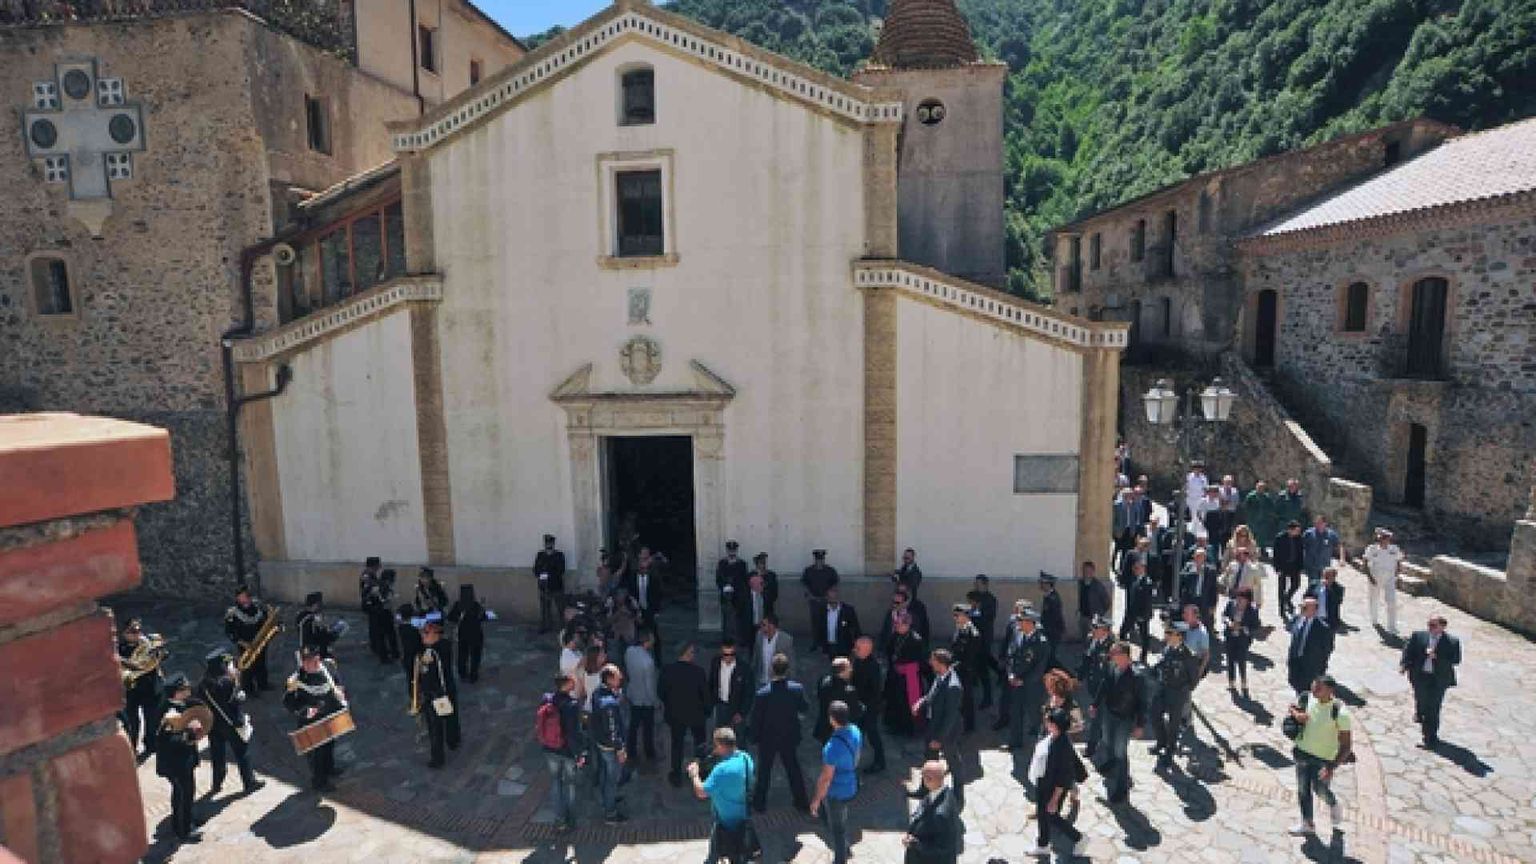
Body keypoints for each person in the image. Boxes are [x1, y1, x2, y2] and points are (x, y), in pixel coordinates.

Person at [1287, 675, 1352, 838]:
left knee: (1320, 789)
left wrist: (1331, 767)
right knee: (1303, 790)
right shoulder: (1307, 698)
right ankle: (1307, 823)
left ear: (1330, 690)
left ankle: (1333, 804)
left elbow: (1346, 745)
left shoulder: (1340, 713)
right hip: (1302, 752)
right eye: (1313, 686)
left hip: (1323, 759)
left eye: (1318, 688)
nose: (1314, 690)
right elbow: (1292, 707)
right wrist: (1297, 714)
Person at [749, 652, 810, 812]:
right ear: (787, 670)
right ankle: (801, 801)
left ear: (772, 669)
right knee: (793, 769)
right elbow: (804, 708)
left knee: (764, 770)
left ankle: (759, 803)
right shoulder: (796, 689)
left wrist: (754, 737)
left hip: (767, 737)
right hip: (789, 735)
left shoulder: (762, 694)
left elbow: (756, 718)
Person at [283, 645, 347, 791]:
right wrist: (306, 711)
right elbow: (288, 702)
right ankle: (319, 782)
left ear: (317, 659)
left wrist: (340, 692)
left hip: (329, 716)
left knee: (329, 745)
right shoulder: (296, 679)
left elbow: (337, 682)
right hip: (312, 722)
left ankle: (329, 768)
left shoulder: (328, 668)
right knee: (317, 755)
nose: (306, 665)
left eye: (310, 661)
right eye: (304, 661)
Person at [198, 650, 262, 797]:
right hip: (231, 723)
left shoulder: (203, 683)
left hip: (214, 725)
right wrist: (237, 680)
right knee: (242, 753)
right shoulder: (228, 682)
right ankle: (249, 782)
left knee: (217, 755)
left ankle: (217, 783)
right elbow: (238, 699)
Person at [689, 727, 756, 864]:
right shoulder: (746, 758)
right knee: (739, 853)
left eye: (715, 745)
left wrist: (694, 775)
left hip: (725, 821)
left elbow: (701, 792)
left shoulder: (722, 770)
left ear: (721, 746)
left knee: (721, 853)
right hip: (743, 816)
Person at [1026, 708, 1086, 858]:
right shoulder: (1055, 736)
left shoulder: (1062, 747)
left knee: (1051, 816)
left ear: (1056, 725)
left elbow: (1063, 778)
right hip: (1044, 782)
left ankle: (1079, 838)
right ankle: (1043, 845)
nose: (1046, 723)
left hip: (1053, 787)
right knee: (1043, 814)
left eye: (1049, 721)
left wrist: (1054, 799)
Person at [1091, 642, 1145, 805]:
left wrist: (1140, 725)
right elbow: (1104, 685)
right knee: (1107, 741)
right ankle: (1111, 762)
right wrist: (1095, 704)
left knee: (1120, 752)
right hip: (1110, 713)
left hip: (1124, 718)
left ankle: (1122, 788)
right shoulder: (1112, 668)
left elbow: (1142, 703)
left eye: (1115, 654)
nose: (1111, 656)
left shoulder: (1136, 677)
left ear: (1125, 656)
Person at [810, 701, 863, 864]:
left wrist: (816, 800)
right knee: (841, 819)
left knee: (837, 829)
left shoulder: (832, 747)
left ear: (832, 719)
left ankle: (840, 859)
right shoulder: (855, 730)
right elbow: (857, 756)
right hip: (851, 785)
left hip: (836, 792)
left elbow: (826, 778)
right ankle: (845, 848)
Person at [915, 647, 967, 807]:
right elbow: (932, 694)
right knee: (930, 758)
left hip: (947, 731)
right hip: (933, 724)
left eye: (933, 661)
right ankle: (925, 789)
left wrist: (939, 739)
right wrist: (921, 702)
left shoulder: (953, 686)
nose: (931, 663)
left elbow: (950, 717)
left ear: (941, 663)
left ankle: (958, 795)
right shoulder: (940, 675)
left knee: (953, 761)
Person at [1399, 615, 1461, 746]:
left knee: (1433, 707)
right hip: (1420, 676)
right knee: (1421, 699)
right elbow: (1408, 650)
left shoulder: (1452, 642)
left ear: (1442, 627)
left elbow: (1455, 660)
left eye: (1433, 625)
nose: (1430, 628)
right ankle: (1420, 712)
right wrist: (1404, 665)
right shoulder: (1419, 636)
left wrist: (1436, 656)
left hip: (1438, 679)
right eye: (1429, 624)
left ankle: (1429, 737)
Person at [155, 673, 203, 841]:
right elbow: (171, 740)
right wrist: (191, 732)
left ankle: (187, 819)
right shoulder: (169, 712)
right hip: (176, 763)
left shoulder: (178, 705)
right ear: (176, 693)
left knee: (186, 792)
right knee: (183, 794)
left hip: (183, 760)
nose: (188, 690)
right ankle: (183, 829)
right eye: (184, 689)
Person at [539, 673, 586, 832]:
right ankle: (570, 819)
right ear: (566, 684)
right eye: (572, 680)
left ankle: (559, 819)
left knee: (556, 782)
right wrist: (579, 754)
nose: (575, 681)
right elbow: (573, 733)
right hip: (566, 751)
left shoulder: (547, 699)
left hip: (550, 749)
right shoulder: (571, 705)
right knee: (570, 784)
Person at [660, 641, 711, 786]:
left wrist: (669, 704)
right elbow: (705, 695)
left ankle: (676, 774)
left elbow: (661, 692)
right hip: (696, 714)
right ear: (687, 653)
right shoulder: (698, 672)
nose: (694, 655)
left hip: (676, 714)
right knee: (700, 743)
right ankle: (702, 771)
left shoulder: (667, 671)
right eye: (692, 652)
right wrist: (707, 710)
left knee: (677, 744)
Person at [411, 620, 461, 768]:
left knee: (435, 727)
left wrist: (423, 694)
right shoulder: (444, 645)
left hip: (435, 694)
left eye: (427, 633)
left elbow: (427, 675)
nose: (423, 635)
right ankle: (453, 740)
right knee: (451, 717)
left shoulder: (430, 654)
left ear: (436, 634)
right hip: (447, 690)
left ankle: (437, 758)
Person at [1151, 623, 1198, 768]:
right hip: (1163, 689)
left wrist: (1183, 691)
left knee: (1173, 724)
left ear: (1179, 636)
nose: (1166, 636)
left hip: (1177, 693)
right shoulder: (1167, 649)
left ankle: (1169, 751)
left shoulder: (1188, 655)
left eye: (1170, 633)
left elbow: (1194, 678)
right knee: (1154, 715)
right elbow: (1161, 665)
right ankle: (1161, 742)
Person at [1002, 609, 1050, 751]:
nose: (1018, 624)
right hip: (1016, 681)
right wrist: (1010, 674)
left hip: (1032, 685)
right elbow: (1010, 655)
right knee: (1015, 712)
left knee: (1035, 714)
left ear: (1030, 623)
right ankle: (1015, 741)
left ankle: (1043, 742)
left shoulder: (1041, 642)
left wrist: (1024, 681)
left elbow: (1040, 667)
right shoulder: (1017, 634)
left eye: (1021, 621)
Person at [117, 617, 164, 756]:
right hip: (131, 690)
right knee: (132, 721)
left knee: (152, 719)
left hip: (150, 687)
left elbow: (160, 656)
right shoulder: (118, 649)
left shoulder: (149, 644)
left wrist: (159, 653)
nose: (137, 634)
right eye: (132, 631)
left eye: (138, 630)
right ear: (124, 633)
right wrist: (126, 663)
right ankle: (132, 747)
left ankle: (151, 744)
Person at [590, 663, 630, 824]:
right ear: (610, 679)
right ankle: (610, 813)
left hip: (600, 742)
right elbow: (613, 730)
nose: (621, 677)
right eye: (617, 675)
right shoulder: (609, 704)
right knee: (612, 779)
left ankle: (607, 798)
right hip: (610, 747)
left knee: (604, 774)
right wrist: (620, 749)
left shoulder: (597, 693)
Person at [903, 760, 962, 864]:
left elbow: (942, 847)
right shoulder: (943, 792)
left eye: (923, 776)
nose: (922, 779)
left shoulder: (941, 814)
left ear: (929, 779)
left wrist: (914, 844)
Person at [883, 612, 929, 737]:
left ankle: (909, 729)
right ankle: (895, 727)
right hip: (896, 675)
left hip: (909, 677)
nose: (896, 626)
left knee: (907, 703)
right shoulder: (895, 636)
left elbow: (920, 660)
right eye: (896, 624)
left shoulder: (916, 640)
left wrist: (904, 667)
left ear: (907, 625)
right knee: (894, 701)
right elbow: (889, 650)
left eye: (899, 624)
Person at [225, 583, 275, 693]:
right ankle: (249, 689)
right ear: (238, 597)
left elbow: (265, 620)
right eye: (243, 596)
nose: (246, 598)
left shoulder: (257, 607)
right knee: (247, 668)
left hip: (260, 641)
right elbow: (229, 632)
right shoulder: (232, 614)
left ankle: (263, 684)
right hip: (245, 645)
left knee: (261, 663)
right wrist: (242, 642)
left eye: (247, 595)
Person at [1077, 615, 1113, 757]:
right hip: (1092, 685)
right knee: (1099, 716)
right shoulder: (1092, 640)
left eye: (1096, 628)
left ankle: (1091, 747)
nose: (1093, 630)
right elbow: (1087, 660)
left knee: (1096, 717)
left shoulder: (1112, 647)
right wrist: (1080, 678)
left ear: (1105, 630)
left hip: (1104, 689)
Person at [850, 636, 886, 773]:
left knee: (872, 734)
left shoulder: (873, 666)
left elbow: (875, 690)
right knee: (858, 734)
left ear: (867, 650)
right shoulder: (857, 660)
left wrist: (866, 707)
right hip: (859, 705)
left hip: (869, 707)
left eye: (858, 648)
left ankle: (880, 761)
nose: (855, 650)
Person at [708, 639, 754, 746]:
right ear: (721, 652)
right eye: (726, 654)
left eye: (731, 654)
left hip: (736, 708)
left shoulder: (744, 668)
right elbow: (711, 683)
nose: (728, 657)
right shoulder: (716, 663)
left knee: (739, 740)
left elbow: (749, 693)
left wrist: (742, 713)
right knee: (720, 740)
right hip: (720, 706)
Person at [624, 630, 660, 764]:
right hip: (645, 699)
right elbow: (649, 686)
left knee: (633, 725)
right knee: (648, 728)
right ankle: (649, 752)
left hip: (633, 693)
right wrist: (655, 701)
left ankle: (631, 750)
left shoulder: (629, 652)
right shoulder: (648, 662)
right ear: (647, 642)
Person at [1286, 597, 1332, 694]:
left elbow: (1327, 649)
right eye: (1302, 607)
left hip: (1310, 666)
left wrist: (1320, 668)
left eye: (1305, 607)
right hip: (1295, 660)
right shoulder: (1297, 619)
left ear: (1314, 610)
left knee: (1305, 690)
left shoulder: (1323, 629)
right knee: (1294, 683)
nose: (1302, 609)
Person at [1363, 528, 1405, 635]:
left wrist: (1397, 574)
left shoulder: (1394, 549)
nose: (1385, 540)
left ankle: (1392, 626)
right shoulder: (1372, 549)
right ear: (1379, 539)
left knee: (1392, 601)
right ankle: (1374, 620)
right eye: (1382, 538)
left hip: (1389, 578)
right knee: (1374, 599)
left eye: (1387, 538)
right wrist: (1370, 577)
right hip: (1375, 576)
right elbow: (1365, 562)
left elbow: (1399, 561)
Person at [446, 584, 490, 682]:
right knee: (475, 656)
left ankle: (462, 673)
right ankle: (473, 675)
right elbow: (484, 617)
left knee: (462, 654)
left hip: (463, 634)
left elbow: (450, 618)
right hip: (476, 634)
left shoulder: (458, 605)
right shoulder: (476, 605)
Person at [814, 657, 863, 742]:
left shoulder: (823, 681)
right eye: (848, 668)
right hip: (840, 731)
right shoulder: (849, 691)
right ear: (842, 672)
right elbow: (855, 712)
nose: (851, 670)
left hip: (824, 727)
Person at [1222, 588, 1261, 696]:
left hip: (1243, 639)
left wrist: (1244, 628)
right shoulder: (1231, 604)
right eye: (1238, 598)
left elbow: (1255, 626)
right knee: (1230, 659)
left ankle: (1243, 682)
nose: (1238, 601)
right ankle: (1231, 682)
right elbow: (1224, 616)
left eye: (1241, 599)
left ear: (1247, 600)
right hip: (1230, 637)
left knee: (1241, 660)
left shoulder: (1252, 611)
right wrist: (1228, 622)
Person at [802, 549, 839, 645]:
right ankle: (815, 642)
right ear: (815, 560)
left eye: (821, 559)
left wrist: (829, 596)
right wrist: (810, 596)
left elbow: (834, 584)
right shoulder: (809, 571)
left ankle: (826, 642)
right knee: (815, 622)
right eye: (818, 559)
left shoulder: (830, 571)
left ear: (823, 560)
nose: (819, 561)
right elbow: (805, 585)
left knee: (827, 621)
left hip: (827, 600)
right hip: (814, 600)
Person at [880, 587, 931, 655]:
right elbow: (884, 633)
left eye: (897, 603)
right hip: (890, 650)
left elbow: (917, 637)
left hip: (907, 651)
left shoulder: (913, 618)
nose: (894, 605)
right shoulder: (890, 614)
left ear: (905, 603)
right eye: (893, 602)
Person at [1124, 561, 1158, 660]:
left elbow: (1148, 601)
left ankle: (1143, 657)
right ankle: (1125, 654)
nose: (1135, 570)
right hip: (1132, 613)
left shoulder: (1147, 582)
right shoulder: (1134, 580)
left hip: (1142, 614)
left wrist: (1143, 615)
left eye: (1137, 568)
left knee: (1144, 636)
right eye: (1134, 568)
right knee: (1123, 632)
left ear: (1143, 569)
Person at [1179, 547, 1220, 630]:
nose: (1199, 558)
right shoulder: (1189, 566)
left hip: (1204, 600)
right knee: (1190, 622)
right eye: (1197, 556)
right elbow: (1182, 580)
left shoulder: (1211, 570)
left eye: (1201, 556)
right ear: (1194, 557)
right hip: (1191, 599)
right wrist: (1193, 572)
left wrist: (1213, 605)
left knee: (1205, 623)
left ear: (1204, 558)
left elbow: (1214, 589)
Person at [816, 586, 862, 658]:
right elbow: (820, 628)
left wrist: (857, 645)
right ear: (827, 597)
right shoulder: (822, 610)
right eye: (830, 596)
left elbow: (855, 628)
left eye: (835, 594)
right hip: (829, 647)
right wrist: (821, 646)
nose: (833, 598)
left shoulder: (848, 610)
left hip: (844, 647)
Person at [1273, 520, 1306, 617]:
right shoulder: (1280, 538)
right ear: (1290, 530)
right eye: (1297, 530)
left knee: (1296, 584)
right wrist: (1277, 568)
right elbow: (1275, 554)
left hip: (1294, 566)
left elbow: (1300, 553)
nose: (1298, 532)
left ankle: (1287, 599)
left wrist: (1301, 567)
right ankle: (1281, 609)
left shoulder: (1299, 538)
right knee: (1282, 588)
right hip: (1283, 566)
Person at [535, 534, 567, 633]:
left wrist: (548, 572)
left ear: (553, 544)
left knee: (560, 608)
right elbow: (536, 569)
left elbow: (561, 570)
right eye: (547, 543)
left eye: (550, 543)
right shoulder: (540, 555)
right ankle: (545, 626)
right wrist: (542, 573)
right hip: (544, 586)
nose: (548, 545)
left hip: (556, 586)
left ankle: (563, 627)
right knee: (545, 609)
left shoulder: (559, 555)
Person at [716, 540, 748, 639]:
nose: (732, 553)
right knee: (727, 619)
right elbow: (718, 579)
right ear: (727, 550)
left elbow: (744, 580)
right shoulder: (722, 563)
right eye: (730, 550)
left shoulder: (742, 564)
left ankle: (739, 639)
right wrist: (724, 587)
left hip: (738, 596)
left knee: (738, 619)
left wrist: (738, 590)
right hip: (726, 596)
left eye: (733, 550)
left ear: (736, 551)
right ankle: (727, 640)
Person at [752, 615, 795, 688]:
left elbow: (791, 663)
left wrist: (789, 683)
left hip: (777, 682)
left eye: (764, 625)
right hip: (761, 681)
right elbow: (755, 659)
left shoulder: (786, 640)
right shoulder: (759, 636)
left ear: (772, 626)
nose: (761, 628)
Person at [736, 573, 776, 650]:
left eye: (763, 583)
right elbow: (740, 612)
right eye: (760, 583)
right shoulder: (744, 597)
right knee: (751, 646)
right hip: (750, 626)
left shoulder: (766, 595)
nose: (763, 586)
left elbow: (770, 611)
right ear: (752, 584)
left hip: (763, 625)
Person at [1075, 562, 1111, 645]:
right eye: (1085, 571)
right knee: (1084, 636)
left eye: (1089, 571)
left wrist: (1099, 613)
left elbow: (1107, 602)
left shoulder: (1098, 585)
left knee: (1093, 639)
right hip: (1083, 616)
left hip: (1093, 618)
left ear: (1093, 572)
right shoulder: (1080, 583)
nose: (1087, 573)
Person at [1302, 515, 1342, 587]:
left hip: (1325, 566)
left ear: (1325, 523)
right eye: (1316, 523)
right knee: (1313, 585)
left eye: (1320, 523)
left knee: (1324, 585)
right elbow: (1301, 546)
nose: (1317, 524)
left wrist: (1342, 558)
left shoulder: (1331, 534)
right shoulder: (1309, 533)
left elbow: (1340, 546)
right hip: (1312, 565)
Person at [296, 592, 339, 658]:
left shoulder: (304, 614)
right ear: (314, 605)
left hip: (308, 639)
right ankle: (323, 654)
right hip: (308, 641)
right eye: (318, 604)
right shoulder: (309, 616)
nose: (320, 606)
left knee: (326, 633)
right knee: (326, 634)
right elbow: (318, 625)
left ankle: (324, 652)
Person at [1305, 566, 1346, 632]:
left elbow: (1337, 602)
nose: (1325, 578)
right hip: (1313, 617)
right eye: (1324, 575)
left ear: (1334, 577)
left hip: (1328, 620)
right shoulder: (1314, 584)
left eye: (1328, 576)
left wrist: (1328, 588)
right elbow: (1306, 597)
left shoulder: (1339, 589)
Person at [1243, 480, 1278, 556]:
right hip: (1253, 520)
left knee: (1263, 537)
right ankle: (1249, 551)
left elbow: (1271, 507)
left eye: (1262, 488)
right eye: (1259, 487)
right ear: (1256, 487)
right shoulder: (1251, 496)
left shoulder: (1267, 497)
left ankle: (1262, 551)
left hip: (1263, 521)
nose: (1261, 489)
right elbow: (1246, 507)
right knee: (1251, 536)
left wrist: (1269, 516)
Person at [395, 603, 423, 698]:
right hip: (416, 656)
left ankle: (413, 696)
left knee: (411, 679)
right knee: (419, 678)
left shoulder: (401, 627)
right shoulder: (414, 627)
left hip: (407, 657)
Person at [1038, 572, 1066, 651]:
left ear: (1048, 585)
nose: (1041, 585)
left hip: (1053, 630)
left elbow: (1054, 616)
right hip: (1050, 630)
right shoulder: (1048, 596)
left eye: (1043, 583)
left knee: (1051, 652)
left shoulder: (1052, 598)